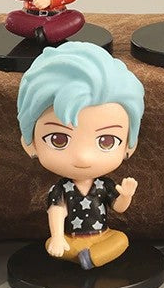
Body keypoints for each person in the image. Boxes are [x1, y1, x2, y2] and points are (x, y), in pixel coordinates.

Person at [17, 42, 145, 269]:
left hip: (103, 236)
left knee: (121, 240)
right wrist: (57, 237)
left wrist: (126, 195)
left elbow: (118, 208)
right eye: (59, 139)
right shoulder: (62, 189)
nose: (83, 157)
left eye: (106, 141)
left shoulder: (104, 185)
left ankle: (90, 259)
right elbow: (57, 211)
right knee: (55, 245)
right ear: (30, 145)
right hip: (71, 239)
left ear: (129, 146)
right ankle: (87, 256)